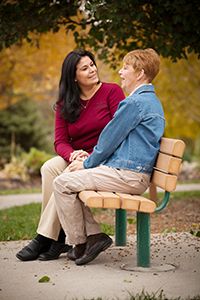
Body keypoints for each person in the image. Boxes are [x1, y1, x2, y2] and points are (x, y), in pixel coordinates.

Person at [52, 48, 165, 266]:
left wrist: (86, 164)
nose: (120, 72)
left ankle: (80, 242)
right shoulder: (151, 100)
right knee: (71, 180)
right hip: (131, 173)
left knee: (62, 183)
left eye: (126, 68)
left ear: (139, 73)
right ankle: (92, 236)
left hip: (128, 175)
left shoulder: (134, 104)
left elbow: (108, 141)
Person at [16, 49, 125, 261]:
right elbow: (60, 141)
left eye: (92, 64)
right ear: (74, 77)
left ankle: (46, 239)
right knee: (49, 167)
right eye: (85, 68)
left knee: (64, 174)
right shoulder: (65, 102)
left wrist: (90, 157)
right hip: (78, 157)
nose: (92, 69)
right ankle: (56, 236)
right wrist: (73, 154)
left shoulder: (112, 92)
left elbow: (118, 134)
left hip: (103, 158)